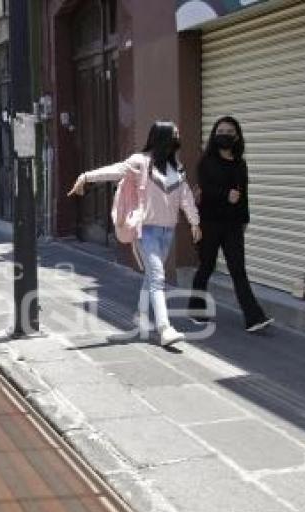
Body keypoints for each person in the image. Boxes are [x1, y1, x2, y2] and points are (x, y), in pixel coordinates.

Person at [68, 121, 202, 347]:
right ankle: (164, 328)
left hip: (167, 231)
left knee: (152, 277)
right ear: (162, 138)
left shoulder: (177, 167)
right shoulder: (140, 162)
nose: (178, 138)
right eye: (175, 134)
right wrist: (86, 176)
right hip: (146, 231)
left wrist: (194, 222)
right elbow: (114, 170)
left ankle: (140, 319)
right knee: (158, 277)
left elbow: (186, 196)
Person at [188, 116, 273, 332]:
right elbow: (205, 189)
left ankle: (253, 318)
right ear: (215, 135)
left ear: (236, 137)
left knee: (238, 270)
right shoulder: (206, 161)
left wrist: (245, 219)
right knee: (207, 266)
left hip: (233, 224)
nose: (224, 135)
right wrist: (226, 195)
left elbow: (243, 195)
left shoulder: (240, 164)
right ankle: (196, 310)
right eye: (220, 131)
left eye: (229, 132)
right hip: (209, 222)